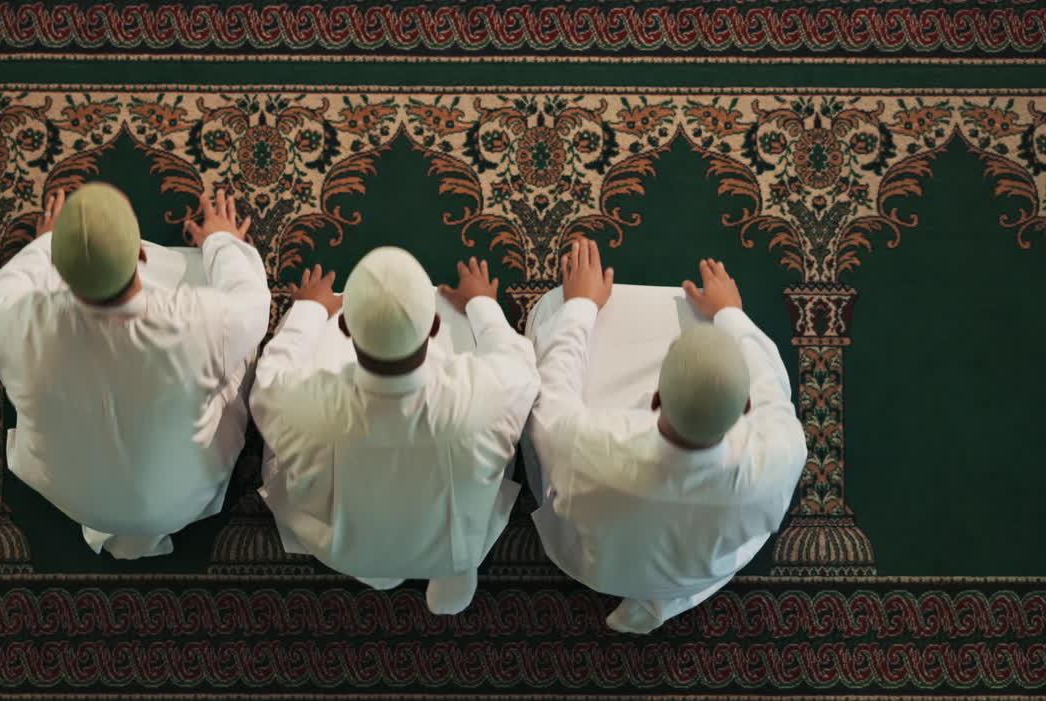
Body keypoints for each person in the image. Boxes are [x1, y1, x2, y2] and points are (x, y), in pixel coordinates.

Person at [0, 184, 270, 560]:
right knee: (233, 343)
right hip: (181, 498)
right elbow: (253, 299)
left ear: (57, 268)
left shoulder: (6, 321)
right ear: (142, 254)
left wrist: (43, 244)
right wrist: (222, 242)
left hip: (75, 497)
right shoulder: (199, 322)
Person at [526, 239, 806, 633]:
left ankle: (652, 595)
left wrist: (580, 305)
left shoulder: (588, 444)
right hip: (698, 572)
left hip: (601, 568)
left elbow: (554, 386)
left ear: (656, 398)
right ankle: (665, 600)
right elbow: (771, 383)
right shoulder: (782, 455)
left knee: (551, 313)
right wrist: (731, 315)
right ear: (747, 408)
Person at [250, 249, 538, 614]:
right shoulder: (484, 393)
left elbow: (272, 372)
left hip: (346, 545)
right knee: (492, 451)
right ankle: (453, 566)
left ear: (345, 327)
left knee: (281, 448)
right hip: (457, 534)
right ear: (434, 326)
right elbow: (519, 363)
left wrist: (308, 309)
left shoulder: (300, 406)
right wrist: (482, 304)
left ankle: (378, 573)